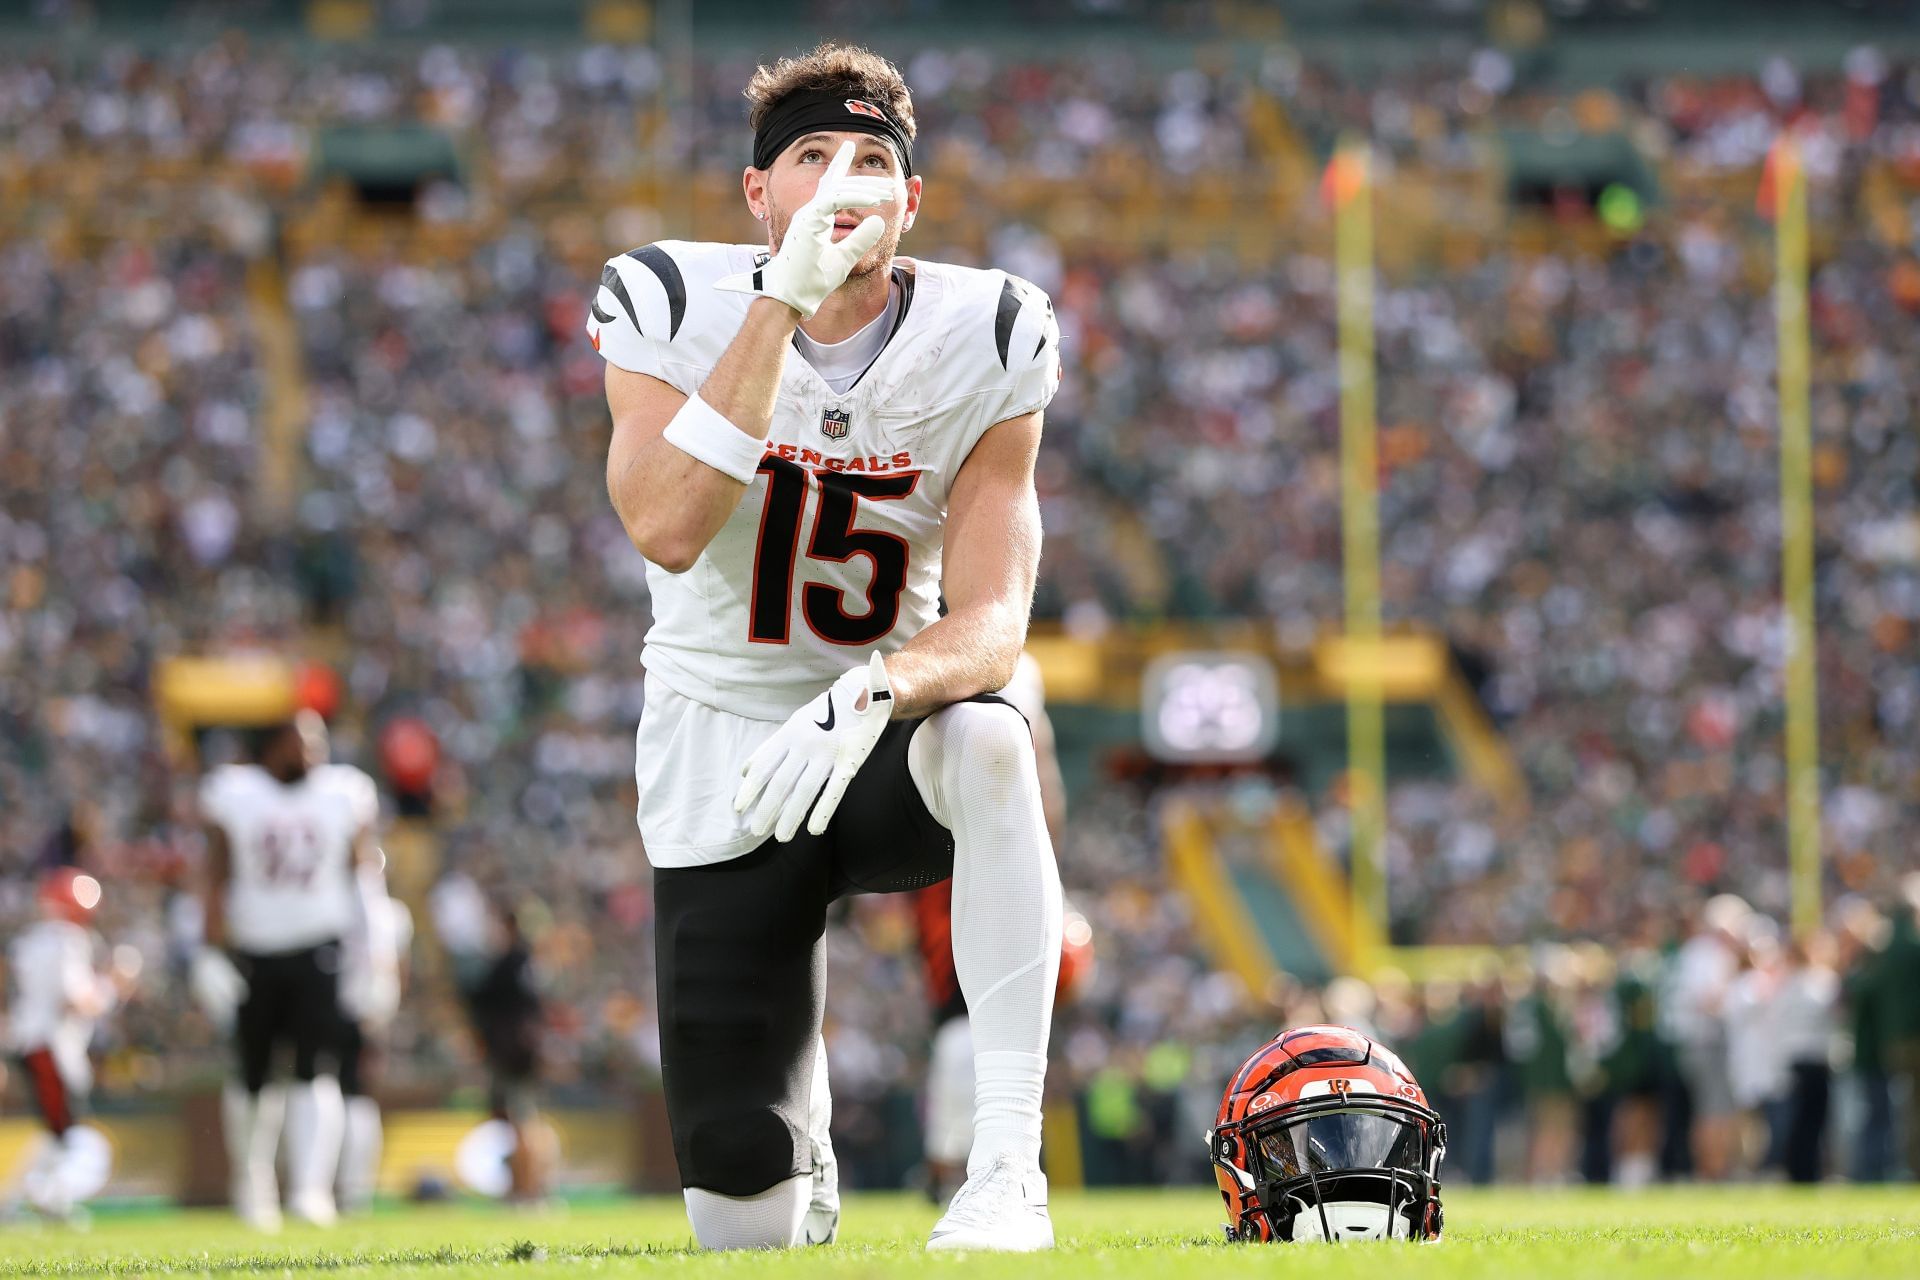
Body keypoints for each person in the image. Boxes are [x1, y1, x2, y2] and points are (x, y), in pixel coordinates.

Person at [588, 42, 1063, 1251]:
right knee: (743, 1226)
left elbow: (997, 622)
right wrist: (779, 305)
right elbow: (666, 522)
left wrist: (878, 690)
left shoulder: (991, 329)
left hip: (882, 731)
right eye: (811, 156)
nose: (844, 180)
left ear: (912, 201)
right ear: (759, 195)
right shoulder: (670, 300)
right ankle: (803, 1144)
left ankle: (1009, 1167)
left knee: (994, 739)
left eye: (872, 160)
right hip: (721, 743)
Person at [194, 710, 392, 1230]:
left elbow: (364, 877)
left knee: (314, 1069)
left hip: (318, 948)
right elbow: (214, 876)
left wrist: (378, 953)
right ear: (269, 747)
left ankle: (310, 1188)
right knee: (253, 1075)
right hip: (254, 951)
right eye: (298, 743)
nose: (310, 753)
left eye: (317, 742)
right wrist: (207, 949)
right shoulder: (234, 793)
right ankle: (253, 1182)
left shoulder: (343, 793)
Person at [911, 653, 1066, 1204]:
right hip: (941, 799)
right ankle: (956, 1163)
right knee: (956, 1045)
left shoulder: (1019, 672)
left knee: (964, 1044)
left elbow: (1041, 773)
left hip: (991, 807)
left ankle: (1000, 1162)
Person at [3, 869, 129, 1222]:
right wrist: (111, 988)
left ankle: (24, 1204)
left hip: (31, 1042)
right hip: (51, 1046)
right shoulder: (67, 940)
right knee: (77, 1140)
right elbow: (74, 1000)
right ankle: (45, 1195)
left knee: (55, 1135)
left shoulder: (29, 940)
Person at [336, 886, 413, 1214]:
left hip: (352, 1011)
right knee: (352, 1099)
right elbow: (400, 973)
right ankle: (350, 1188)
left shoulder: (389, 913)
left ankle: (348, 1187)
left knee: (350, 1097)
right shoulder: (393, 913)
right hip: (367, 1012)